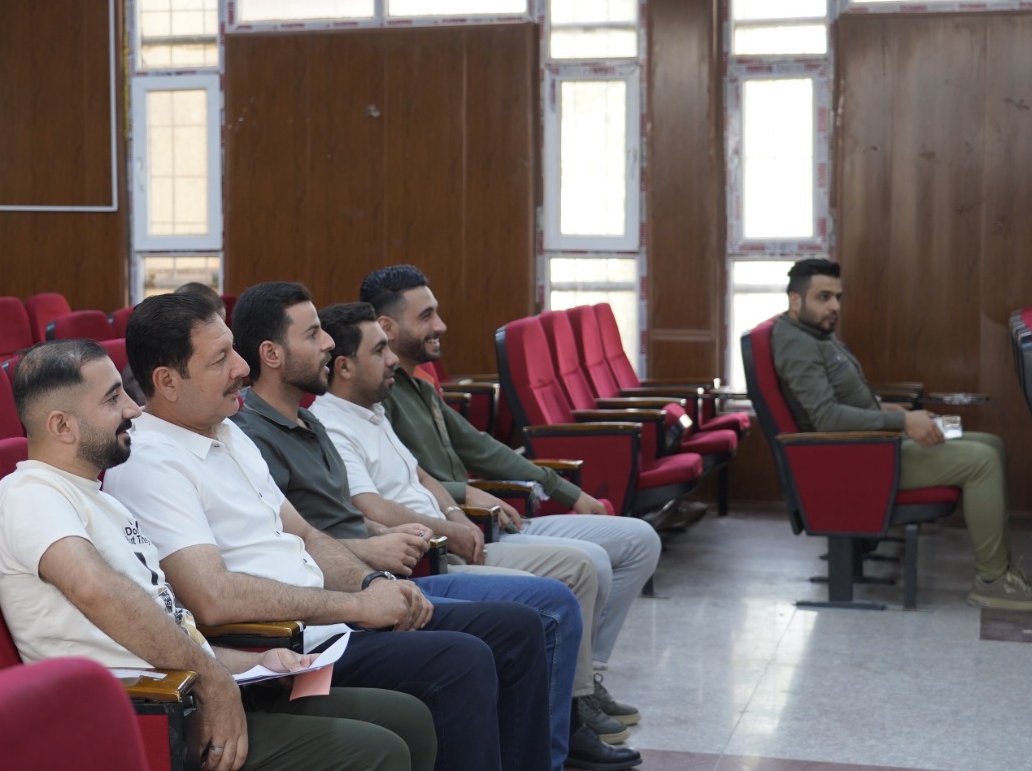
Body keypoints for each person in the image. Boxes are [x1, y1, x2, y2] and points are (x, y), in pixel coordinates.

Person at [103, 291, 553, 771]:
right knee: (462, 661)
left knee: (517, 628)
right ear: (168, 382)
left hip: (330, 621)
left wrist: (372, 584)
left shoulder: (227, 430)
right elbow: (211, 597)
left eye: (234, 349)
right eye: (220, 359)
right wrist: (358, 605)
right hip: (285, 649)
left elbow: (307, 535)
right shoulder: (152, 463)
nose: (241, 367)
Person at [227, 284, 639, 770]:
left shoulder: (307, 422)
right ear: (272, 354)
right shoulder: (249, 435)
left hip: (371, 576)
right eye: (313, 334)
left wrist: (385, 539)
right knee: (489, 643)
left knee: (526, 622)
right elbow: (289, 545)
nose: (328, 344)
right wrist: (370, 562)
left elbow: (332, 520)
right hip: (329, 607)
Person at [0, 339, 437, 771]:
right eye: (112, 399)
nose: (132, 409)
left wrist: (254, 662)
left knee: (410, 720)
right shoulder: (30, 493)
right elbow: (97, 591)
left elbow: (169, 624)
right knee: (378, 751)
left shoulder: (101, 499)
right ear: (61, 426)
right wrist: (212, 680)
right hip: (138, 718)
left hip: (189, 691)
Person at [361, 265, 662, 682]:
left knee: (641, 540)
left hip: (485, 517)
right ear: (386, 327)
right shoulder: (376, 397)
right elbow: (396, 486)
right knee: (590, 562)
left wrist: (568, 492)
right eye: (426, 316)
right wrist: (464, 494)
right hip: (459, 528)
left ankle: (585, 670)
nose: (440, 325)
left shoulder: (422, 385)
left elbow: (480, 447)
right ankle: (578, 688)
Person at [771, 257, 1032, 611]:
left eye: (838, 297)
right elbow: (827, 418)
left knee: (991, 443)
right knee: (981, 461)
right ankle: (993, 581)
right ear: (795, 300)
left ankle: (1006, 569)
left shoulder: (814, 333)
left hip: (873, 442)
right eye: (823, 297)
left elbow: (840, 398)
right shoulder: (797, 344)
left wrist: (889, 410)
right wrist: (904, 423)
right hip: (859, 459)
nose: (835, 307)